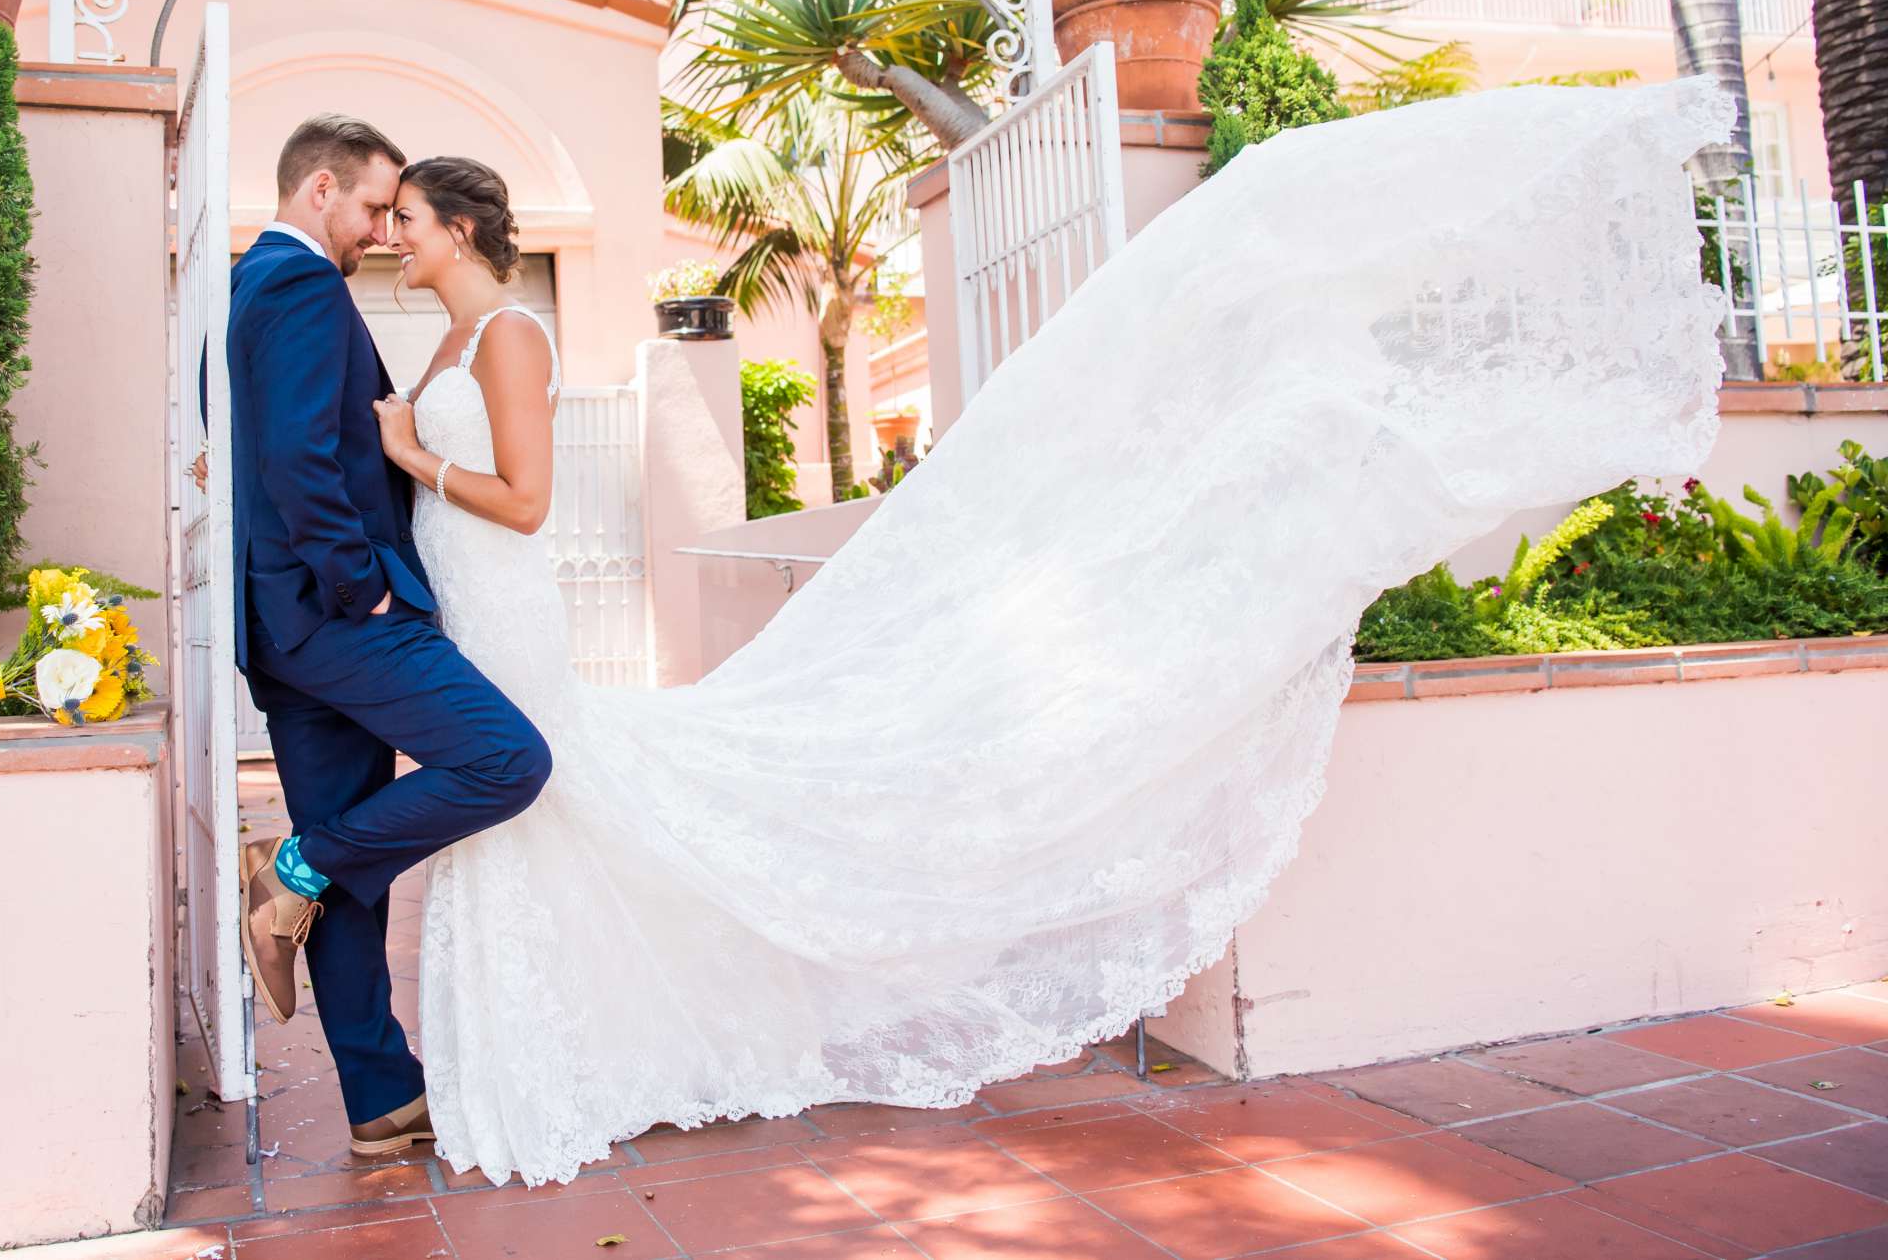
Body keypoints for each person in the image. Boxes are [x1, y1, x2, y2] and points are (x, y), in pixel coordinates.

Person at [358, 79, 1734, 1186]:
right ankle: (572, 1056)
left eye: (408, 220)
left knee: (549, 807)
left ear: (468, 230)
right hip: (471, 617)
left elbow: (528, 503)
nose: (393, 239)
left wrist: (415, 457)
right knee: (543, 821)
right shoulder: (438, 347)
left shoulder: (514, 342)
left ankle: (593, 1061)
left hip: (511, 612)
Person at [222, 114, 550, 1161]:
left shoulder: (249, 289)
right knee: (506, 758)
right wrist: (362, 588)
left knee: (346, 864)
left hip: (287, 625)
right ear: (321, 191)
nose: (377, 232)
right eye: (372, 207)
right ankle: (295, 862)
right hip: (336, 618)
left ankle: (379, 1100)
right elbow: (302, 461)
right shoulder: (302, 286)